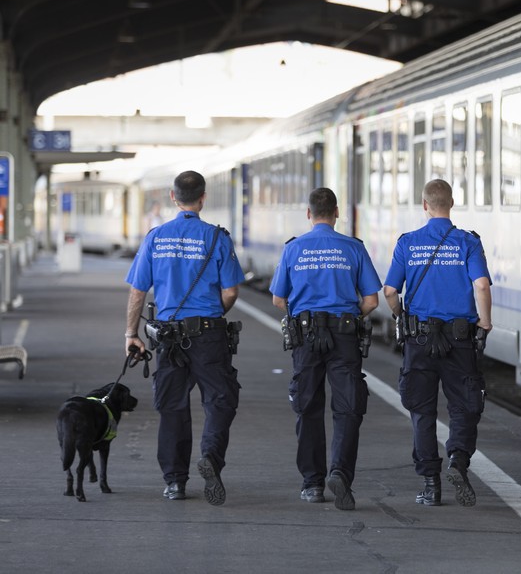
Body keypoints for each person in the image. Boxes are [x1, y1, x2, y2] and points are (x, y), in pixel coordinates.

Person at [124, 170, 245, 505]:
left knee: (172, 407)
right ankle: (210, 457)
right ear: (203, 198)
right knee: (220, 400)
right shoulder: (217, 237)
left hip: (167, 338)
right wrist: (211, 313)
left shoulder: (156, 237)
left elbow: (137, 292)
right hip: (208, 335)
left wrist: (131, 334)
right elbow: (231, 291)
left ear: (173, 197)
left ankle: (175, 482)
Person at [270, 187, 381, 511]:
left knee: (308, 407)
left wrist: (303, 316)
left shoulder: (294, 249)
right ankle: (341, 474)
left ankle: (312, 484)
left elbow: (279, 299)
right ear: (336, 213)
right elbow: (372, 300)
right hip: (344, 336)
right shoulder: (353, 247)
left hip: (305, 337)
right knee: (348, 407)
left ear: (309, 214)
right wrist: (347, 317)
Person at [383, 178, 492, 507]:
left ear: (425, 204)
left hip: (419, 339)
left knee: (422, 411)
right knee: (463, 406)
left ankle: (430, 485)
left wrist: (400, 315)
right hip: (459, 339)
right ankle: (458, 460)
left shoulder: (407, 243)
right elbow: (482, 285)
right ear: (452, 203)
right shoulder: (467, 242)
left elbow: (390, 292)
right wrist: (484, 324)